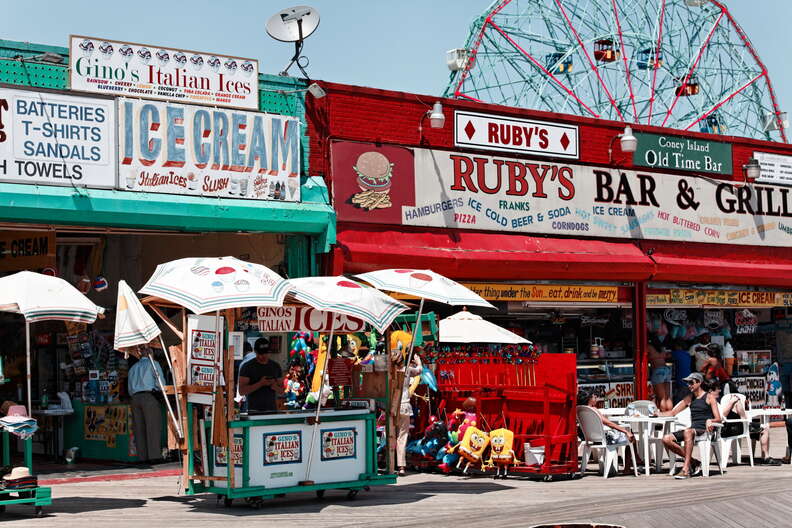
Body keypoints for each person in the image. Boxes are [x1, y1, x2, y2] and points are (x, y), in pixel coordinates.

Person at [659, 373, 722, 479]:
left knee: (688, 431)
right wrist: (657, 414)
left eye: (691, 382)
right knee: (666, 439)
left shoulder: (709, 397)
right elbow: (673, 413)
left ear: (699, 382)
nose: (689, 385)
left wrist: (710, 420)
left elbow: (718, 418)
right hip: (692, 430)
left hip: (705, 430)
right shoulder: (690, 397)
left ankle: (686, 469)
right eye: (688, 383)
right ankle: (694, 462)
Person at [715, 383, 779, 466]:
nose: (719, 390)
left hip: (733, 426)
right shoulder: (726, 402)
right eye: (717, 389)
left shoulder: (717, 402)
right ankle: (765, 457)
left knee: (761, 427)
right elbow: (737, 417)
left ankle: (765, 456)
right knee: (765, 428)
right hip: (732, 428)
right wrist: (733, 403)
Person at [577, 389, 639, 473]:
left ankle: (636, 459)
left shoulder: (579, 409)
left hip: (590, 438)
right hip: (605, 439)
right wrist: (625, 431)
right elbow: (608, 423)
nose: (596, 398)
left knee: (625, 433)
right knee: (631, 436)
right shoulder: (593, 410)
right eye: (594, 397)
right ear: (589, 399)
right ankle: (628, 467)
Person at [128, 348, 165, 464]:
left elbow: (129, 388)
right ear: (151, 353)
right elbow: (160, 383)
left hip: (135, 398)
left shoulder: (133, 368)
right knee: (152, 427)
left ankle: (142, 457)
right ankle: (154, 457)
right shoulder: (154, 364)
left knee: (139, 429)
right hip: (149, 396)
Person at [396, 349, 423, 477]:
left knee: (391, 436)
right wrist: (418, 361)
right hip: (404, 405)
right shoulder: (406, 370)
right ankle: (401, 466)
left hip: (392, 406)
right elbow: (419, 370)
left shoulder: (388, 372)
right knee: (402, 437)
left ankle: (390, 465)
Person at [238, 337, 283, 413]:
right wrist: (260, 384)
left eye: (266, 353)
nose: (264, 356)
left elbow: (282, 391)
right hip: (254, 411)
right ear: (255, 352)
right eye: (261, 353)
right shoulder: (247, 367)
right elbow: (241, 391)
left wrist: (274, 386)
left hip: (272, 410)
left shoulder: (276, 366)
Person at [648, 339, 672, 412]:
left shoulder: (648, 347)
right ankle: (669, 414)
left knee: (661, 397)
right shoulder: (661, 348)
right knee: (667, 397)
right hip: (667, 369)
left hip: (658, 370)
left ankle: (664, 414)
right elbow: (668, 355)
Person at [671, 339, 693, 405]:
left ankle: (677, 413)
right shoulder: (687, 354)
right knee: (687, 399)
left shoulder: (676, 353)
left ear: (677, 346)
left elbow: (666, 356)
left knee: (679, 400)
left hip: (681, 378)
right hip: (689, 378)